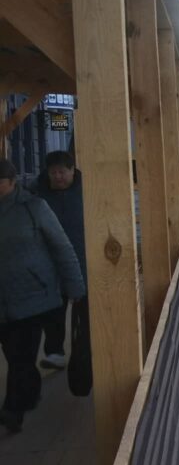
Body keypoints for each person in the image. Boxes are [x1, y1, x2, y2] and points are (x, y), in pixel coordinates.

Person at [0, 159, 85, 433]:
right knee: (15, 356)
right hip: (3, 300)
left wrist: (75, 287)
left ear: (12, 182)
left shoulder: (34, 207)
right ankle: (30, 391)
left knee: (21, 355)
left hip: (32, 297)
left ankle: (12, 411)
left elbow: (62, 247)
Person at [33, 151, 87, 370]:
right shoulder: (36, 193)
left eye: (62, 172)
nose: (57, 177)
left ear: (72, 170)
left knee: (83, 311)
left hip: (82, 259)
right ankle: (55, 352)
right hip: (49, 262)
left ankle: (83, 354)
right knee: (53, 309)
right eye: (53, 172)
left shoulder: (87, 190)